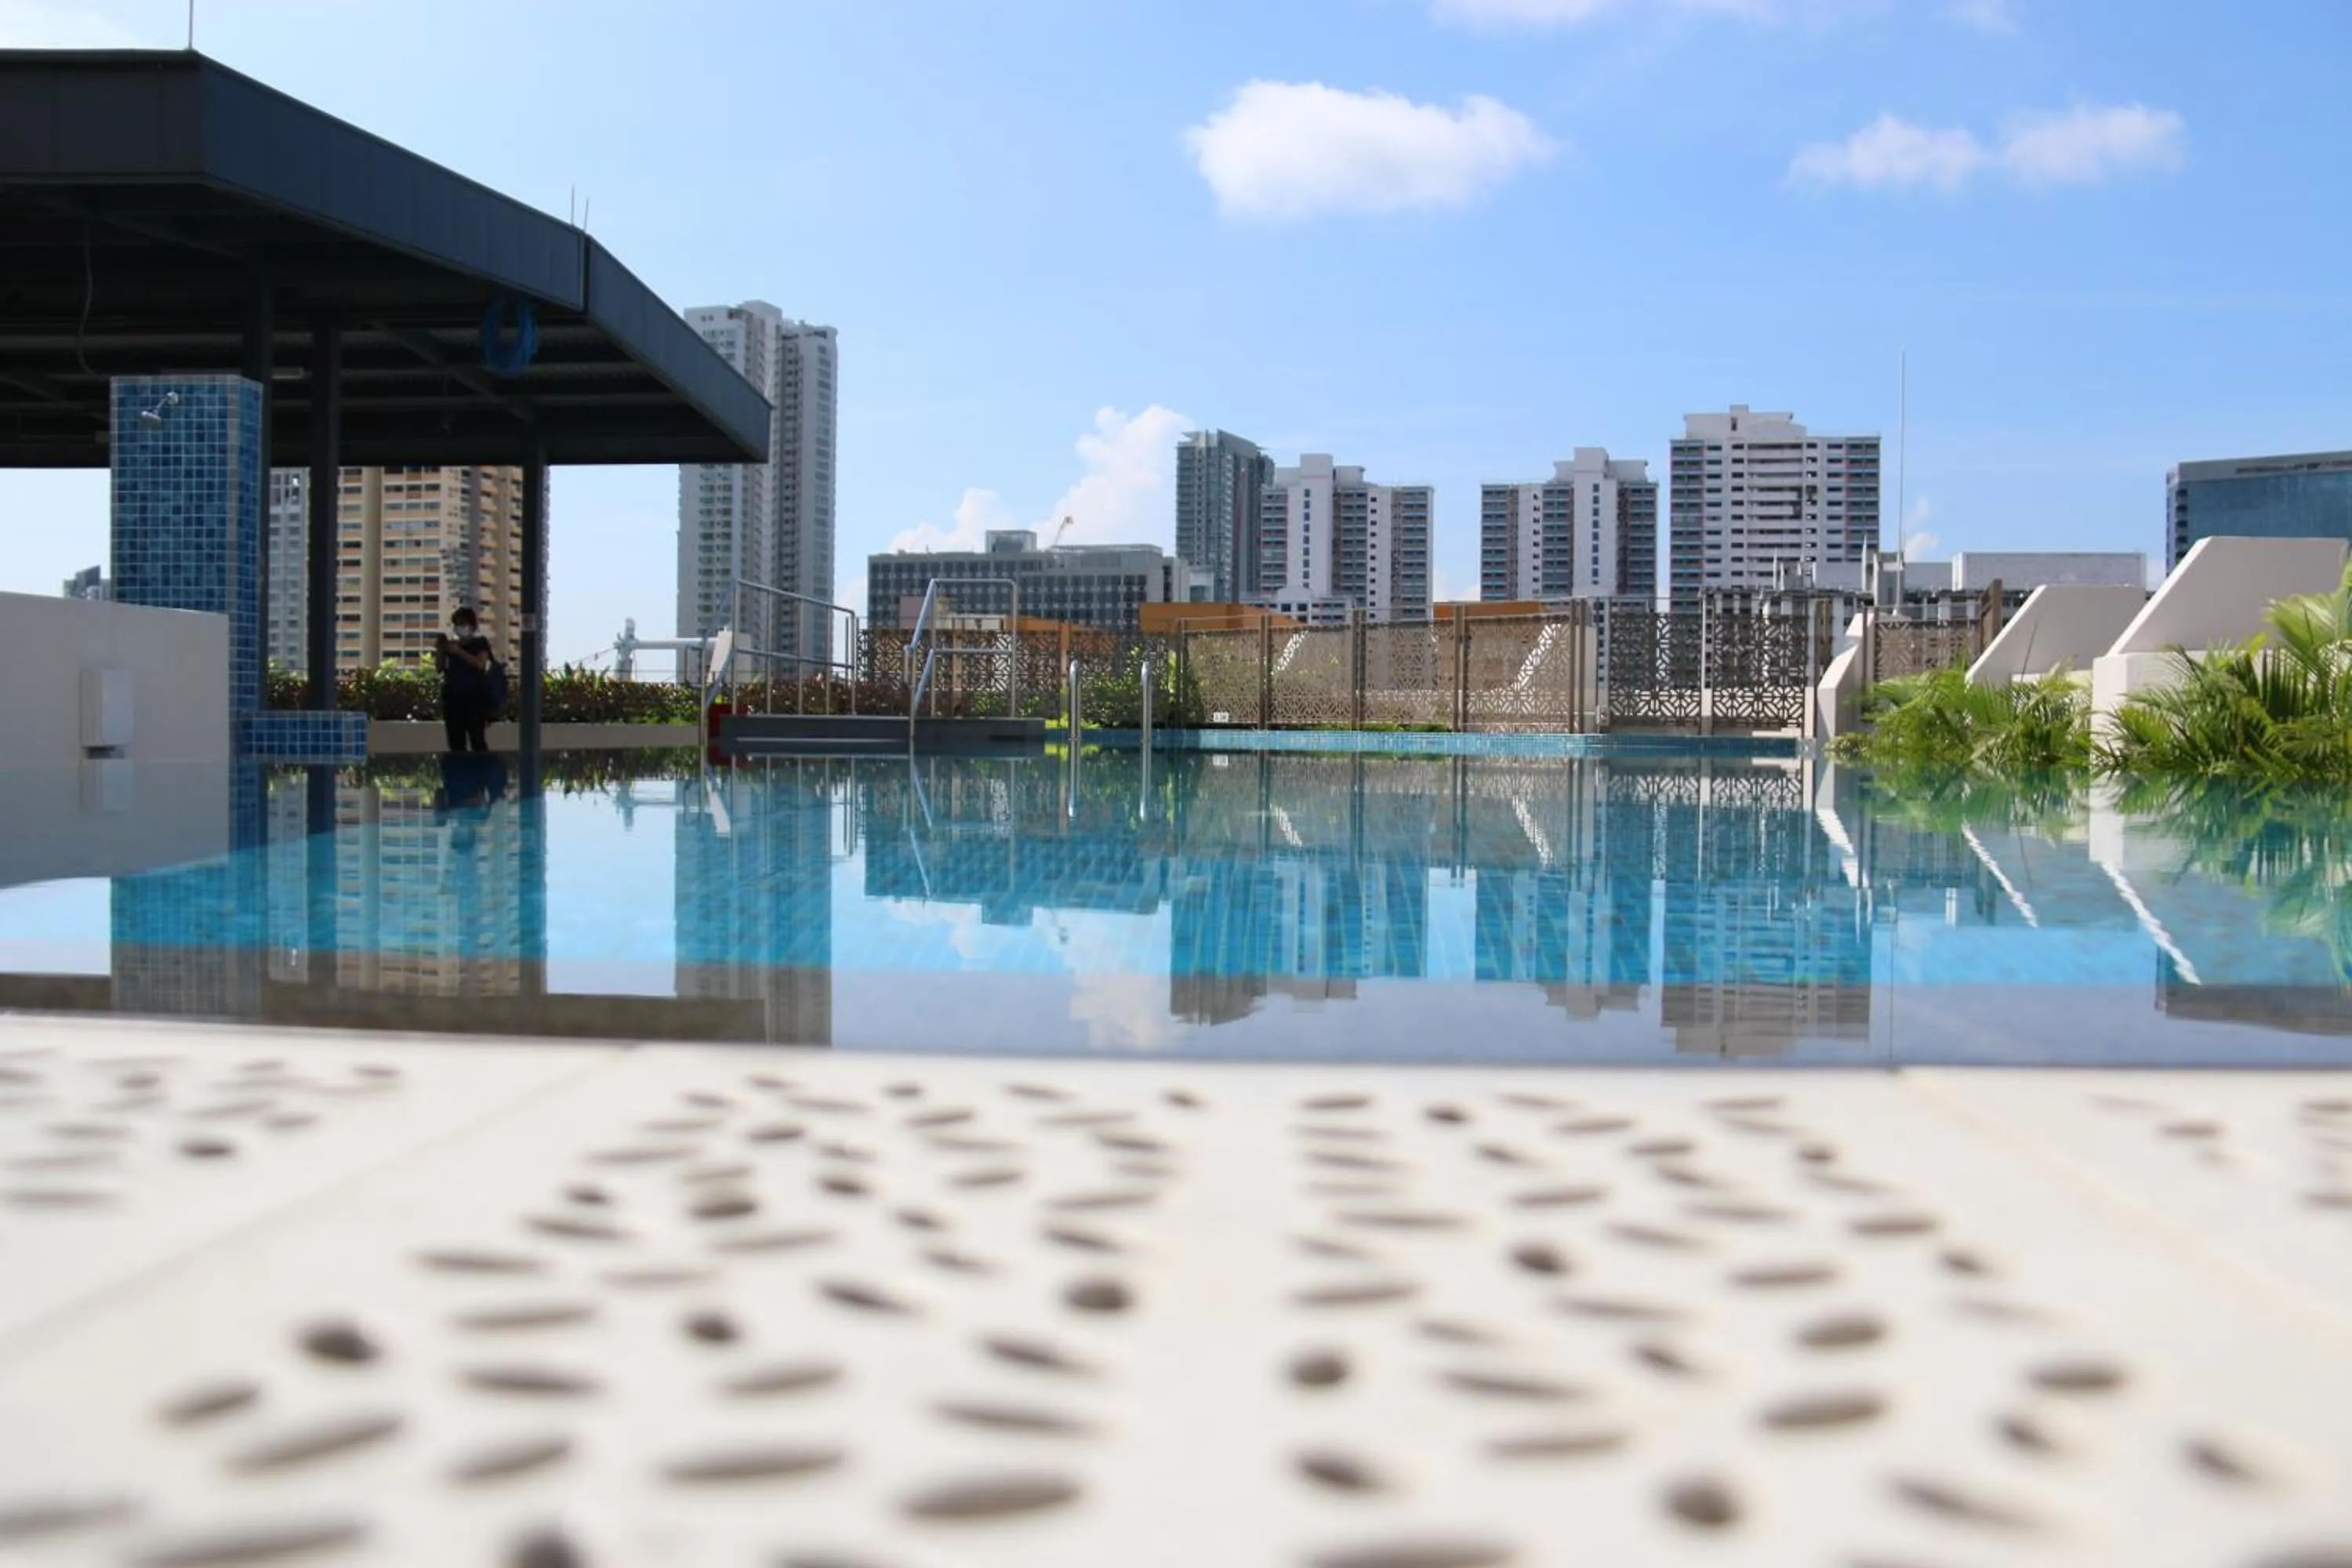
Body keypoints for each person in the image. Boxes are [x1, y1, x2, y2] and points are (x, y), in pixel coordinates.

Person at [434, 607, 495, 753]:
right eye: (457, 624)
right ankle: (459, 773)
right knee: (456, 743)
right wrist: (441, 650)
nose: (459, 628)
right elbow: (439, 668)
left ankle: (481, 773)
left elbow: (481, 664)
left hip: (475, 700)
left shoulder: (480, 642)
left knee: (477, 741)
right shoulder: (452, 645)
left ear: (472, 626)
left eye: (463, 624)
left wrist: (460, 652)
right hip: (453, 701)